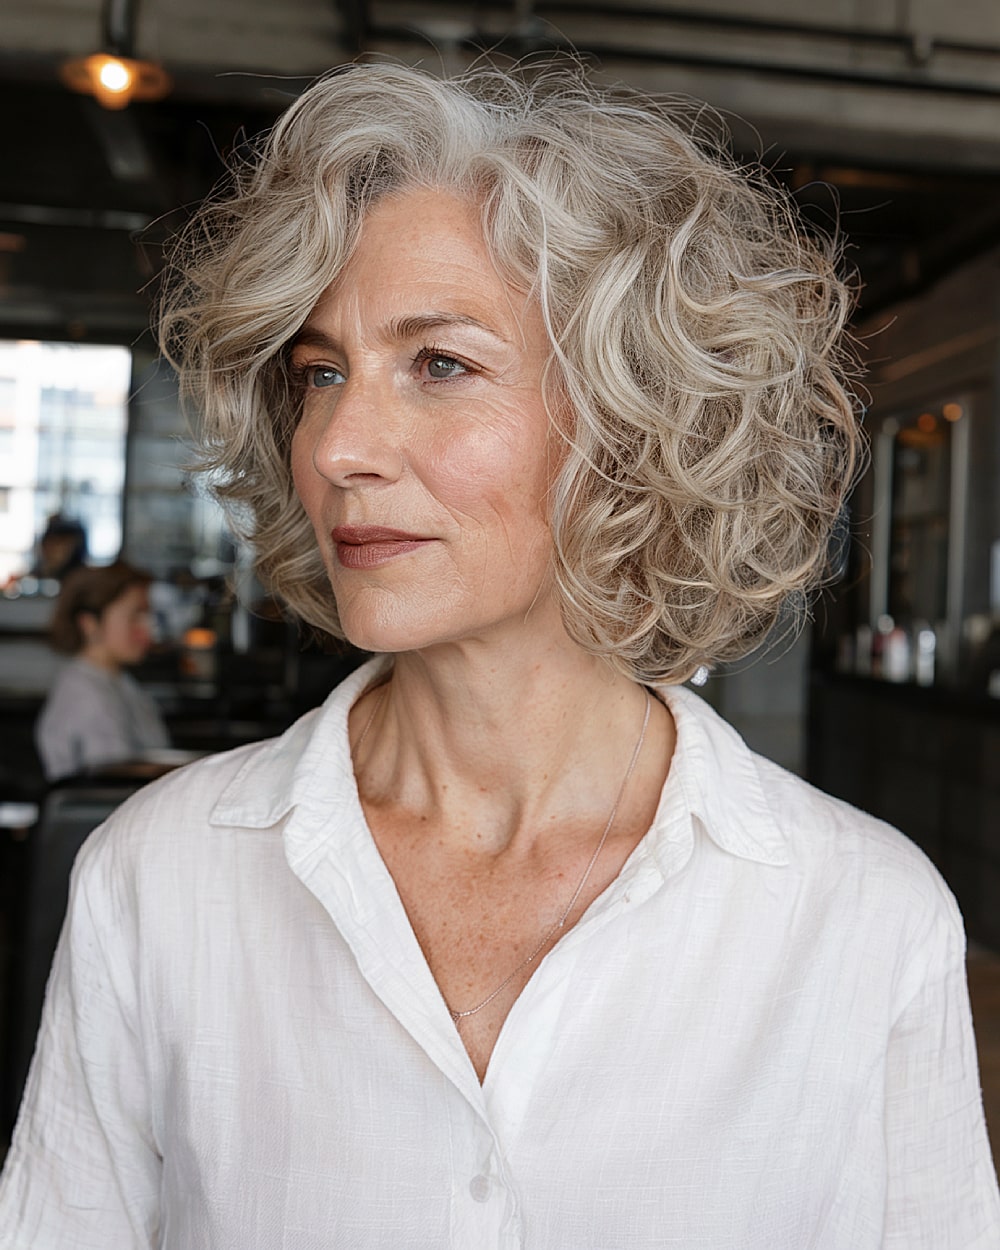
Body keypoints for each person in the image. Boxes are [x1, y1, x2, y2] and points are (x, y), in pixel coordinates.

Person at [2, 62, 998, 1249]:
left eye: (440, 364)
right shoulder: (161, 877)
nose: (341, 445)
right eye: (320, 373)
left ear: (633, 419)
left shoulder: (861, 917)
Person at [35, 560, 170, 781]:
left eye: (147, 616)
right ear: (89, 623)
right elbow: (116, 782)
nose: (147, 630)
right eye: (135, 616)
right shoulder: (87, 696)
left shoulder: (114, 680)